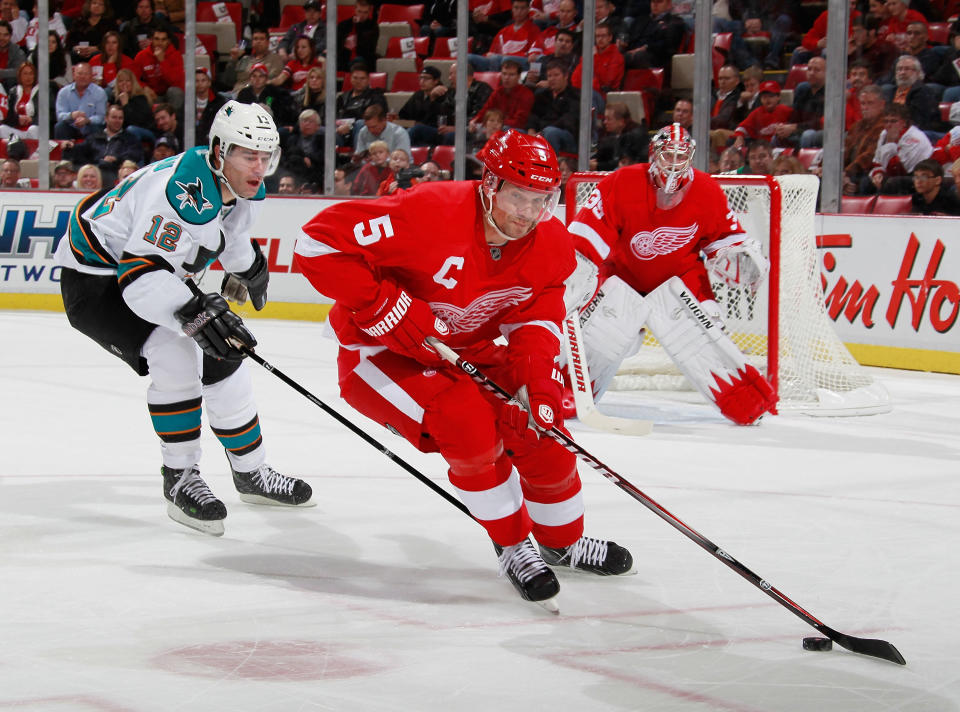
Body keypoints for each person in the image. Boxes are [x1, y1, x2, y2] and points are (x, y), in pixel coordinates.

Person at [293, 129, 633, 608]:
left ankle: (562, 543)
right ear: (490, 183)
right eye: (519, 196)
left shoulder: (551, 244)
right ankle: (514, 546)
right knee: (468, 428)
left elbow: (535, 315)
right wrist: (382, 305)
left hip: (463, 350)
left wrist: (536, 378)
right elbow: (315, 244)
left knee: (545, 428)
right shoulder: (429, 211)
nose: (529, 213)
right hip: (381, 353)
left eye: (541, 200)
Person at [54, 100, 314, 537]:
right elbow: (138, 279)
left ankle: (251, 473)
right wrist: (195, 312)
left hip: (149, 273)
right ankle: (179, 479)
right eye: (248, 155)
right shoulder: (179, 194)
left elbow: (230, 233)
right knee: (174, 353)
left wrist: (248, 266)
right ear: (218, 151)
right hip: (95, 284)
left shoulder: (236, 186)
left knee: (225, 354)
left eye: (266, 156)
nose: (259, 166)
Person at [565, 124, 776, 425]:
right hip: (623, 277)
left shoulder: (706, 189)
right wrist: (572, 271)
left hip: (682, 280)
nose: (674, 163)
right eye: (668, 155)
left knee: (707, 333)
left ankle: (746, 401)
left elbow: (726, 238)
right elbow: (586, 233)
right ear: (654, 153)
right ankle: (564, 390)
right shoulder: (622, 182)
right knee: (604, 336)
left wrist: (740, 256)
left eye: (681, 155)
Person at [469, 59, 534, 132]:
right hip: (496, 126)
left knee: (506, 129)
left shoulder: (526, 94)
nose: (506, 78)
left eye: (511, 75)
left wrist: (495, 123)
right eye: (504, 74)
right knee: (467, 130)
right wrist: (474, 121)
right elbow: (485, 110)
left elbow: (519, 122)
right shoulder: (498, 92)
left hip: (514, 130)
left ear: (519, 76)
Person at [221, 28, 284, 97]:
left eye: (262, 39)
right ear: (252, 42)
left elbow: (273, 81)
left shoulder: (275, 59)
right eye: (255, 39)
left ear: (268, 42)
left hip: (256, 97)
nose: (258, 42)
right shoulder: (245, 59)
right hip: (235, 94)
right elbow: (228, 81)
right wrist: (233, 59)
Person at [133, 26, 184, 112]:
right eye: (156, 39)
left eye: (163, 39)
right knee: (142, 95)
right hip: (153, 95)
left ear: (168, 41)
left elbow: (175, 82)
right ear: (151, 40)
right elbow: (134, 78)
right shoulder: (141, 56)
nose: (160, 43)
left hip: (170, 94)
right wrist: (144, 87)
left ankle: (173, 121)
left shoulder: (176, 55)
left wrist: (162, 61)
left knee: (175, 91)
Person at [54, 62, 108, 139]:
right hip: (71, 127)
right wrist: (71, 115)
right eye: (80, 73)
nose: (83, 77)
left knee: (97, 128)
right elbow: (59, 116)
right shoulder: (64, 92)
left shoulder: (100, 93)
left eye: (86, 74)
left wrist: (87, 120)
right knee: (60, 126)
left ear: (91, 76)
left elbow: (101, 117)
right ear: (74, 75)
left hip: (90, 127)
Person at [0, 61, 39, 140]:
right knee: (2, 129)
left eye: (31, 74)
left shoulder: (42, 92)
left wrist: (32, 119)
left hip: (34, 128)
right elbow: (8, 115)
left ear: (35, 76)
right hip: (17, 130)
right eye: (25, 74)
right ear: (20, 76)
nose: (28, 77)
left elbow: (49, 115)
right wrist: (17, 119)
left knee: (33, 129)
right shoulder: (13, 92)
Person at [335, 0, 377, 71]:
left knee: (358, 61)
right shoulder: (343, 25)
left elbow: (369, 49)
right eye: (359, 11)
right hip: (344, 59)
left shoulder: (373, 26)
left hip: (363, 60)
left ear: (369, 12)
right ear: (355, 10)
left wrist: (359, 26)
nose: (362, 15)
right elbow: (337, 46)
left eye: (365, 12)